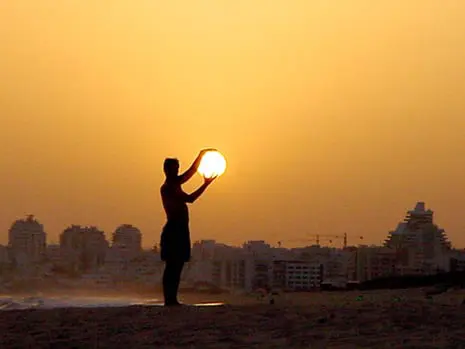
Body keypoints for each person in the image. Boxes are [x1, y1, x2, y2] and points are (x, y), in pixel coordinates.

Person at [160, 149, 217, 306]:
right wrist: (205, 184)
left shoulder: (176, 183)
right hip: (173, 230)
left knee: (177, 265)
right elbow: (190, 199)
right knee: (172, 266)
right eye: (174, 168)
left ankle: (172, 299)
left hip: (181, 230)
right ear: (166, 170)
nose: (177, 171)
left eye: (177, 168)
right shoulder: (168, 187)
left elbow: (191, 171)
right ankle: (169, 299)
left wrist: (201, 155)